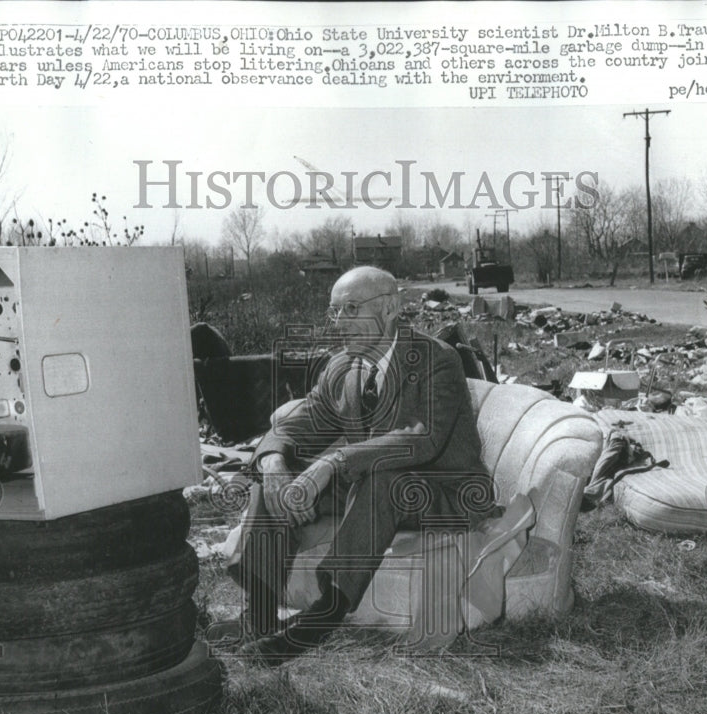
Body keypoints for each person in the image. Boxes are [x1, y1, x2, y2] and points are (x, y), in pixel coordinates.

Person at [209, 266, 497, 665]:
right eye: (335, 312)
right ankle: (258, 615)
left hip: (447, 491)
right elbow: (299, 423)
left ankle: (318, 623)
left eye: (352, 309)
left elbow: (421, 438)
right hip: (374, 491)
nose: (340, 323)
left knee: (384, 478)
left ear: (392, 307)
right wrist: (274, 461)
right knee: (274, 478)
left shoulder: (436, 359)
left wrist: (335, 460)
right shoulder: (342, 367)